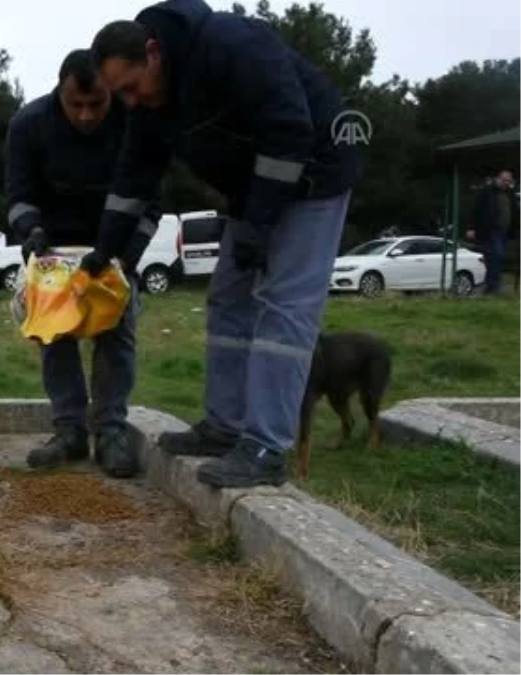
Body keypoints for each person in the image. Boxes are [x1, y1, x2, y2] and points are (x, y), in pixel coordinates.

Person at [81, 0, 362, 488]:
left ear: (153, 53)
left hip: (314, 172)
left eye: (130, 87)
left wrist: (257, 225)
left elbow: (289, 129)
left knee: (284, 304)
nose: (129, 102)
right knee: (228, 297)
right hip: (254, 190)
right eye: (118, 94)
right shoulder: (150, 103)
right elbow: (134, 177)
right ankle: (224, 426)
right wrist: (105, 250)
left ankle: (266, 447)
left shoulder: (233, 45)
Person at [4, 48, 142, 478]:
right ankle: (69, 431)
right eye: (75, 104)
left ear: (110, 94)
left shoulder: (133, 121)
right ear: (58, 93)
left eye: (95, 104)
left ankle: (111, 431)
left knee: (116, 334)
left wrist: (125, 254)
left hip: (112, 244)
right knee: (54, 334)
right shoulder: (28, 124)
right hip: (53, 247)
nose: (85, 115)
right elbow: (17, 194)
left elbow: (149, 194)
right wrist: (30, 231)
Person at [469, 169, 517, 296]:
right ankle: (493, 286)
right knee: (497, 255)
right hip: (490, 230)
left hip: (504, 232)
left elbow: (514, 212)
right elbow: (475, 210)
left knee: (495, 258)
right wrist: (471, 228)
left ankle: (491, 286)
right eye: (504, 180)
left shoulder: (510, 194)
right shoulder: (486, 191)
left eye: (509, 181)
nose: (506, 183)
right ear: (498, 179)